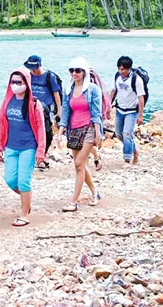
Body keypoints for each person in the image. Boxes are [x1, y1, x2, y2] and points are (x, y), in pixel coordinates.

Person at [0, 68, 46, 227]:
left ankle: (24, 214)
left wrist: (41, 150)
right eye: (13, 82)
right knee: (11, 180)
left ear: (26, 83)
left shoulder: (34, 104)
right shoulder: (7, 101)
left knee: (24, 181)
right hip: (11, 147)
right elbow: (2, 124)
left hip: (28, 147)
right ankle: (26, 200)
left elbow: (41, 128)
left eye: (19, 82)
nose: (15, 85)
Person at [58, 57, 103, 212]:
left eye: (78, 70)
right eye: (71, 70)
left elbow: (96, 112)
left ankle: (74, 202)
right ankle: (95, 192)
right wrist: (61, 130)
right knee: (80, 165)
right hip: (74, 129)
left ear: (84, 72)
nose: (74, 73)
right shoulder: (68, 90)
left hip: (89, 128)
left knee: (78, 163)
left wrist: (98, 133)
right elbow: (65, 110)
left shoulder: (93, 89)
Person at [109, 56, 145, 165]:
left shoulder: (136, 79)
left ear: (129, 68)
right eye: (119, 69)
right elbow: (113, 91)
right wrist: (108, 106)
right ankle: (135, 149)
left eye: (123, 69)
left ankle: (127, 159)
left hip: (131, 111)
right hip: (120, 110)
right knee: (119, 134)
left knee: (127, 134)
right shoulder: (117, 77)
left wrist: (140, 115)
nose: (121, 71)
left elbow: (141, 98)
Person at [23, 55, 62, 125]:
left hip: (47, 109)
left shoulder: (50, 76)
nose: (33, 71)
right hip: (32, 108)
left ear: (40, 65)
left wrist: (59, 111)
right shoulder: (28, 76)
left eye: (35, 68)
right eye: (31, 68)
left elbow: (56, 94)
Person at [88, 67, 112, 170]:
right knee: (83, 143)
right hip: (79, 120)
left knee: (88, 142)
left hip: (92, 118)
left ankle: (95, 157)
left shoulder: (94, 87)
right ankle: (95, 157)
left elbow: (98, 106)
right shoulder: (75, 86)